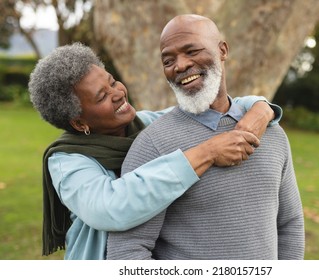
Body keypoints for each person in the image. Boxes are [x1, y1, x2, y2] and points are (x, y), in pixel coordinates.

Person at [28, 42, 282, 260]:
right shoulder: (68, 162)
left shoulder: (149, 125)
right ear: (79, 123)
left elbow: (210, 109)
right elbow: (112, 207)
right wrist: (207, 153)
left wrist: (260, 107)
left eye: (113, 81)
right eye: (101, 97)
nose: (117, 93)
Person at [107, 14, 304, 260]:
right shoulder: (152, 145)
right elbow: (126, 251)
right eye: (168, 60)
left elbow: (290, 224)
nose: (180, 65)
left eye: (191, 51)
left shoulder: (272, 133)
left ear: (222, 50)